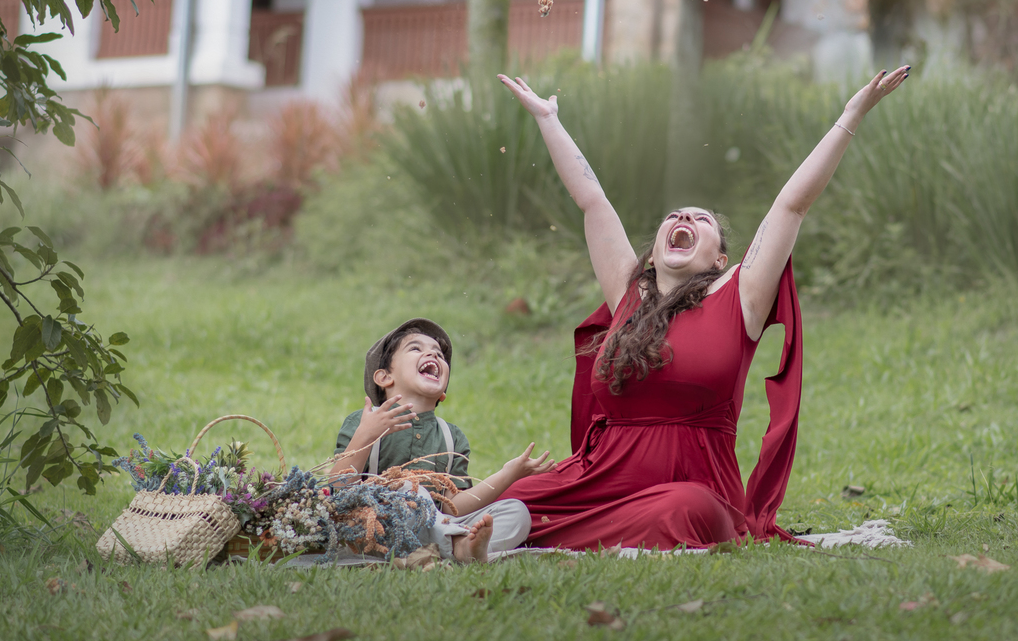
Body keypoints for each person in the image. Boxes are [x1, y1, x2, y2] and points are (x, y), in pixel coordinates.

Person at [494, 66, 912, 550]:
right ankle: (527, 527)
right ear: (653, 254)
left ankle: (531, 537)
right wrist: (548, 118)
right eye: (674, 216)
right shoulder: (627, 293)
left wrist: (852, 113)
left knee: (682, 511)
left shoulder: (743, 296)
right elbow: (592, 201)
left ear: (720, 258)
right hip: (597, 481)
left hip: (694, 491)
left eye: (701, 218)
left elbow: (791, 206)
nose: (683, 216)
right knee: (517, 494)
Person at [330, 318, 555, 562]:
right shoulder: (363, 421)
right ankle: (459, 548)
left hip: (436, 526)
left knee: (517, 512)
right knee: (408, 490)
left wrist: (507, 474)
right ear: (384, 377)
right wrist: (367, 434)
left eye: (438, 353)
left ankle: (455, 546)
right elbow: (340, 488)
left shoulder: (452, 437)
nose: (432, 354)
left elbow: (452, 506)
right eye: (416, 348)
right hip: (377, 529)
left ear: (444, 391)